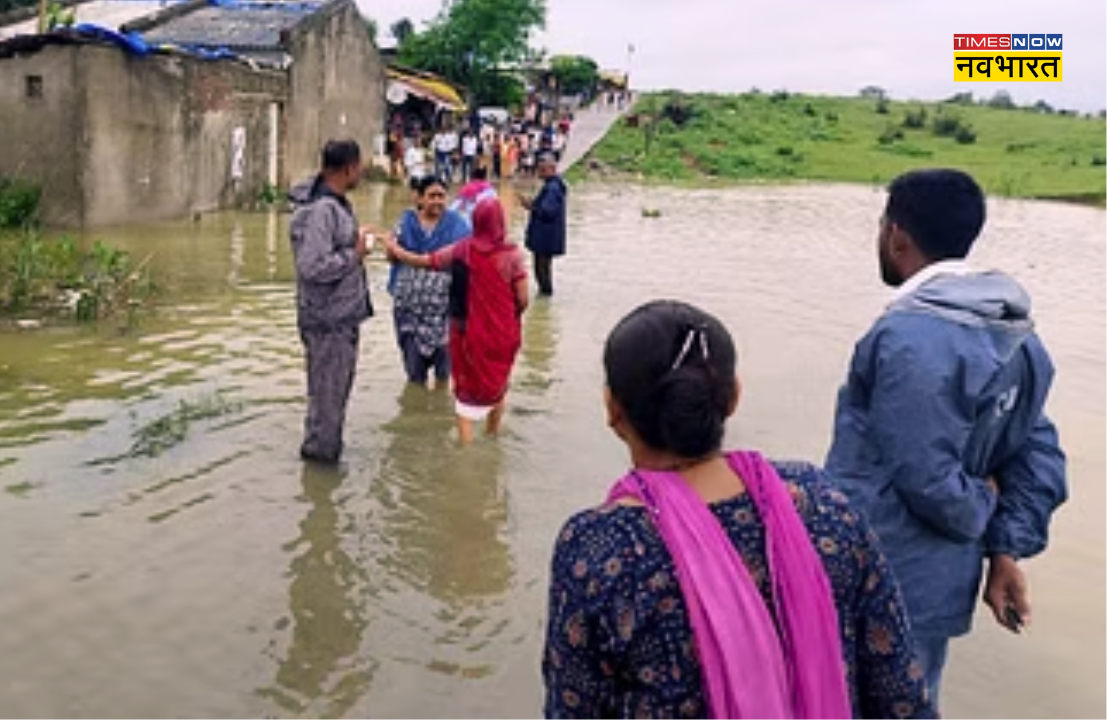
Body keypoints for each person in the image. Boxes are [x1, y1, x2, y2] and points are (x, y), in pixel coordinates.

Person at [544, 300, 933, 719]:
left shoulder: (599, 549)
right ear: (733, 398)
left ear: (612, 408)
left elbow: (572, 709)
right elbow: (901, 696)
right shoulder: (822, 503)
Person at [825, 168, 1068, 709]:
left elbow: (926, 476)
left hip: (877, 578)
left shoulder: (907, 337)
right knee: (914, 697)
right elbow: (1037, 453)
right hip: (938, 584)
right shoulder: (1018, 336)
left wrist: (984, 504)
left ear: (896, 235)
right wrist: (1005, 547)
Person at [382, 199, 529, 444]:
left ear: (476, 221)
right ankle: (493, 435)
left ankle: (466, 450)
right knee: (499, 384)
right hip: (503, 334)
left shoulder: (462, 250)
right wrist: (505, 320)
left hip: (468, 334)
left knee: (465, 392)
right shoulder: (512, 255)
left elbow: (426, 261)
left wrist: (394, 250)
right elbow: (523, 299)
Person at [288, 139, 375, 464]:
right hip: (329, 320)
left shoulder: (330, 204)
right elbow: (312, 266)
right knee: (328, 402)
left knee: (330, 399)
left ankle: (322, 465)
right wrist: (355, 254)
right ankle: (321, 476)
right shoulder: (322, 209)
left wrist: (352, 239)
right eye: (360, 166)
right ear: (349, 168)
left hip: (336, 316)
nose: (362, 172)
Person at [389, 176, 471, 387]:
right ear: (420, 199)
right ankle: (417, 411)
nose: (437, 201)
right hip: (410, 309)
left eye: (441, 196)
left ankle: (439, 412)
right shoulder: (406, 221)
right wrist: (392, 249)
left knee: (444, 371)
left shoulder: (457, 223)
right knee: (414, 373)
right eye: (431, 196)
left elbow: (467, 259)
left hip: (444, 309)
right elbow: (392, 258)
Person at [521, 152, 567, 297]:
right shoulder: (553, 186)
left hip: (545, 238)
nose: (539, 172)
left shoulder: (552, 188)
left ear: (552, 169)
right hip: (547, 237)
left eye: (543, 169)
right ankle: (544, 298)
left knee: (541, 270)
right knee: (543, 269)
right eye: (539, 169)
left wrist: (531, 206)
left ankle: (545, 297)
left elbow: (547, 211)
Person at [449, 166, 498, 231]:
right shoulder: (490, 190)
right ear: (484, 177)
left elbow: (453, 208)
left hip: (468, 223)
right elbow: (496, 205)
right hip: (485, 224)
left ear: (472, 177)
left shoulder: (465, 189)